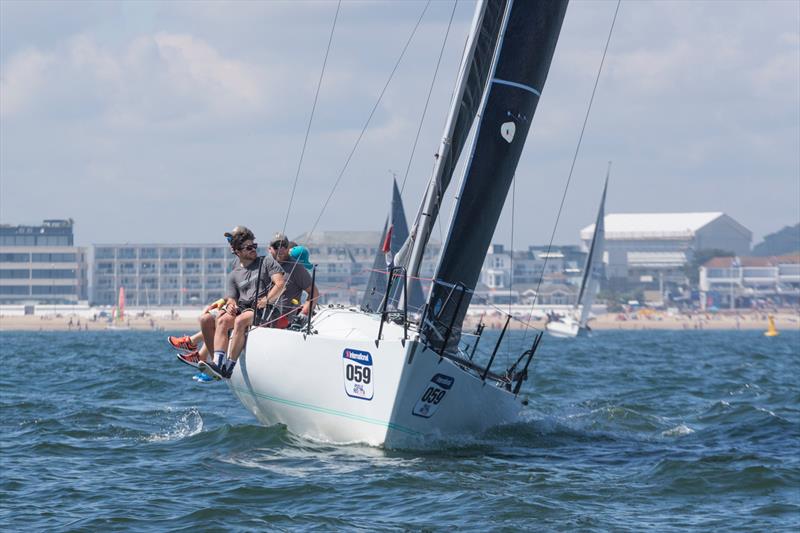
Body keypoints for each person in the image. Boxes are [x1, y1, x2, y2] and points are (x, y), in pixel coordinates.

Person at [200, 227, 285, 379]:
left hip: (267, 309)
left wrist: (267, 300)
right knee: (222, 319)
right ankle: (218, 363)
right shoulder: (234, 274)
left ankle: (229, 367)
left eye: (254, 246)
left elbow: (280, 284)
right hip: (245, 309)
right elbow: (232, 297)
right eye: (249, 247)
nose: (254, 249)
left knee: (240, 320)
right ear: (238, 252)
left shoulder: (266, 261)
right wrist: (231, 305)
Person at [269, 233, 318, 321]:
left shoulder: (297, 269)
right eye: (277, 247)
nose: (281, 250)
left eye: (284, 247)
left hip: (286, 321)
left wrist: (304, 312)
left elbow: (314, 292)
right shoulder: (267, 264)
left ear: (288, 249)